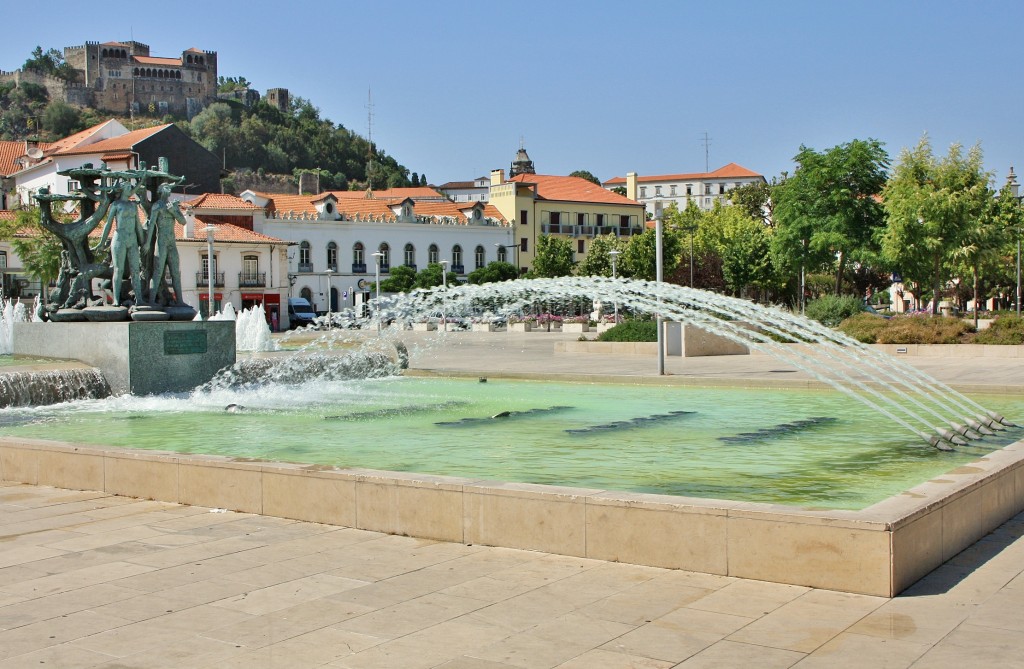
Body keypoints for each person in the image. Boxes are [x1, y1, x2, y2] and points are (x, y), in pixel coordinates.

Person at [95, 181, 146, 306]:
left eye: (130, 187)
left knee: (135, 270)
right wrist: (101, 243)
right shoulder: (116, 205)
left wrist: (143, 242)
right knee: (118, 269)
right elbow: (108, 225)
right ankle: (116, 299)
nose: (129, 189)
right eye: (127, 187)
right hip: (119, 238)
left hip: (132, 239)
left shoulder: (134, 205)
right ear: (122, 189)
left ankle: (139, 298)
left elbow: (138, 225)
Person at [145, 183, 187, 305]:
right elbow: (152, 224)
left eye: (169, 187)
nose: (169, 189)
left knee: (175, 272)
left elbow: (183, 221)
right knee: (158, 272)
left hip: (171, 242)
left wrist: (173, 210)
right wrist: (148, 243)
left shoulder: (173, 205)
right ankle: (152, 300)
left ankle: (180, 301)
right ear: (160, 190)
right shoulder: (157, 206)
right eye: (166, 187)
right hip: (161, 241)